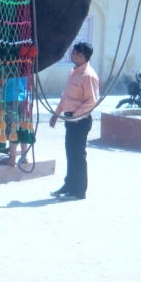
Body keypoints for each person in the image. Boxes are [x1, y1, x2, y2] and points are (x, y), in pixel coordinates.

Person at [49, 41, 100, 200]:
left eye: (74, 53)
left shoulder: (89, 76)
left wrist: (76, 116)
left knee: (78, 155)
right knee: (70, 153)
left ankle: (79, 190)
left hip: (80, 121)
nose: (71, 55)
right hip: (70, 119)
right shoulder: (74, 72)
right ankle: (69, 185)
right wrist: (57, 113)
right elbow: (66, 96)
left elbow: (91, 101)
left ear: (81, 56)